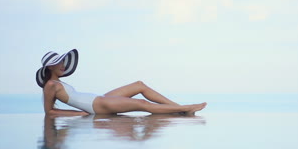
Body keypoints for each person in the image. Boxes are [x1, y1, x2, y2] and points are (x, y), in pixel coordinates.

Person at [36, 49, 207, 116]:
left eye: (63, 61)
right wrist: (81, 114)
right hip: (96, 106)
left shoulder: (59, 83)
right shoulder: (50, 86)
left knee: (139, 84)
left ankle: (178, 108)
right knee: (141, 103)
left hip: (98, 99)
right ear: (50, 67)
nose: (63, 65)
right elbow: (49, 111)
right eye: (59, 63)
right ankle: (185, 108)